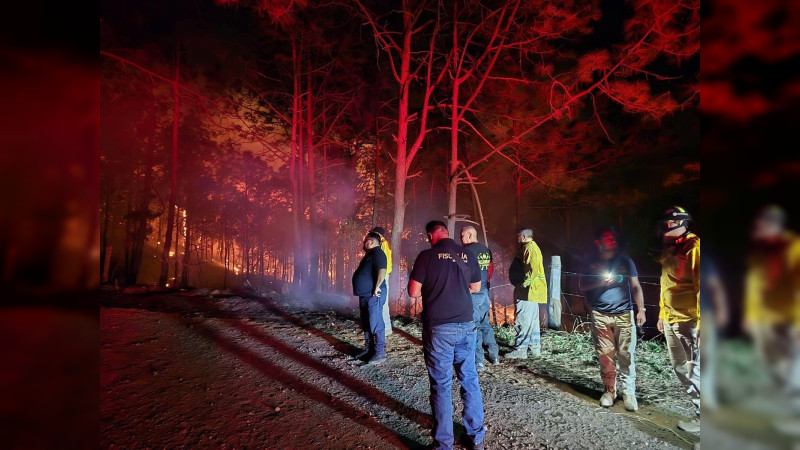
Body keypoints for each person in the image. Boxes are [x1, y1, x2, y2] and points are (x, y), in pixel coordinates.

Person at [408, 221, 486, 450]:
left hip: (439, 327)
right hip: (466, 324)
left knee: (441, 384)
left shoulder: (427, 256)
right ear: (447, 233)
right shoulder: (467, 254)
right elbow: (476, 287)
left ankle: (443, 443)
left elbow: (413, 292)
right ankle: (476, 438)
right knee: (469, 378)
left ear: (431, 235)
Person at [743, 205, 800, 436]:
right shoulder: (760, 252)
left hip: (788, 319)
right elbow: (753, 285)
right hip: (762, 320)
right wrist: (750, 315)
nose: (756, 230)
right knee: (770, 365)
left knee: (792, 368)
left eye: (761, 226)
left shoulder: (793, 247)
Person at [579, 227, 646, 411]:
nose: (612, 241)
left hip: (624, 314)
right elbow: (582, 284)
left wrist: (641, 310)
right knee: (605, 355)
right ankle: (609, 391)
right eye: (607, 238)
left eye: (613, 238)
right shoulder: (590, 262)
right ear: (598, 243)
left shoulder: (625, 261)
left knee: (626, 355)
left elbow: (636, 286)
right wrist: (601, 281)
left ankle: (629, 394)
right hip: (600, 315)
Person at [657, 206, 701, 434]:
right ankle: (700, 415)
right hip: (671, 319)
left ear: (683, 223)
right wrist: (662, 315)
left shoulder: (694, 247)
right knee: (681, 369)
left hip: (690, 321)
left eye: (670, 223)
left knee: (698, 372)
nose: (666, 227)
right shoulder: (670, 249)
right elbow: (666, 284)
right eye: (665, 223)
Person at [460, 225, 499, 371]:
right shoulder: (486, 250)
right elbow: (490, 270)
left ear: (469, 235)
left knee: (473, 325)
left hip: (473, 292)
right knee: (485, 323)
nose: (460, 238)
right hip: (484, 291)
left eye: (462, 235)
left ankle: (478, 361)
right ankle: (494, 355)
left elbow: (463, 273)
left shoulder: (466, 252)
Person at [506, 228, 547, 359]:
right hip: (532, 291)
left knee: (523, 319)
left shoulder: (530, 249)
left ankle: (521, 350)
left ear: (523, 236)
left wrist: (522, 284)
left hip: (528, 291)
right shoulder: (530, 247)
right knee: (533, 321)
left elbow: (532, 270)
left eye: (518, 237)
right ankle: (534, 349)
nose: (517, 239)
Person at [352, 232, 387, 365]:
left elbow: (382, 270)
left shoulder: (378, 253)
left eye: (365, 241)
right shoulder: (370, 255)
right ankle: (369, 350)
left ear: (371, 242)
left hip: (374, 295)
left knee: (376, 323)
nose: (363, 243)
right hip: (365, 295)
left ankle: (379, 353)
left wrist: (377, 286)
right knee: (366, 323)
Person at [370, 226, 393, 336]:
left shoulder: (382, 244)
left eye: (373, 234)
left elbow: (382, 262)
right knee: (381, 302)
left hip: (382, 276)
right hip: (383, 275)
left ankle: (386, 329)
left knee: (382, 302)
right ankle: (384, 328)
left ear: (379, 235)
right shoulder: (385, 243)